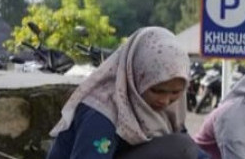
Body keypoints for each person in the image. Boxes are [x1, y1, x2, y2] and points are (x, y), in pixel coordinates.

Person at [47, 26, 198, 159]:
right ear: (136, 77)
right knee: (180, 147)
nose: (165, 101)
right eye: (157, 91)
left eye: (175, 92)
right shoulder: (102, 113)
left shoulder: (167, 107)